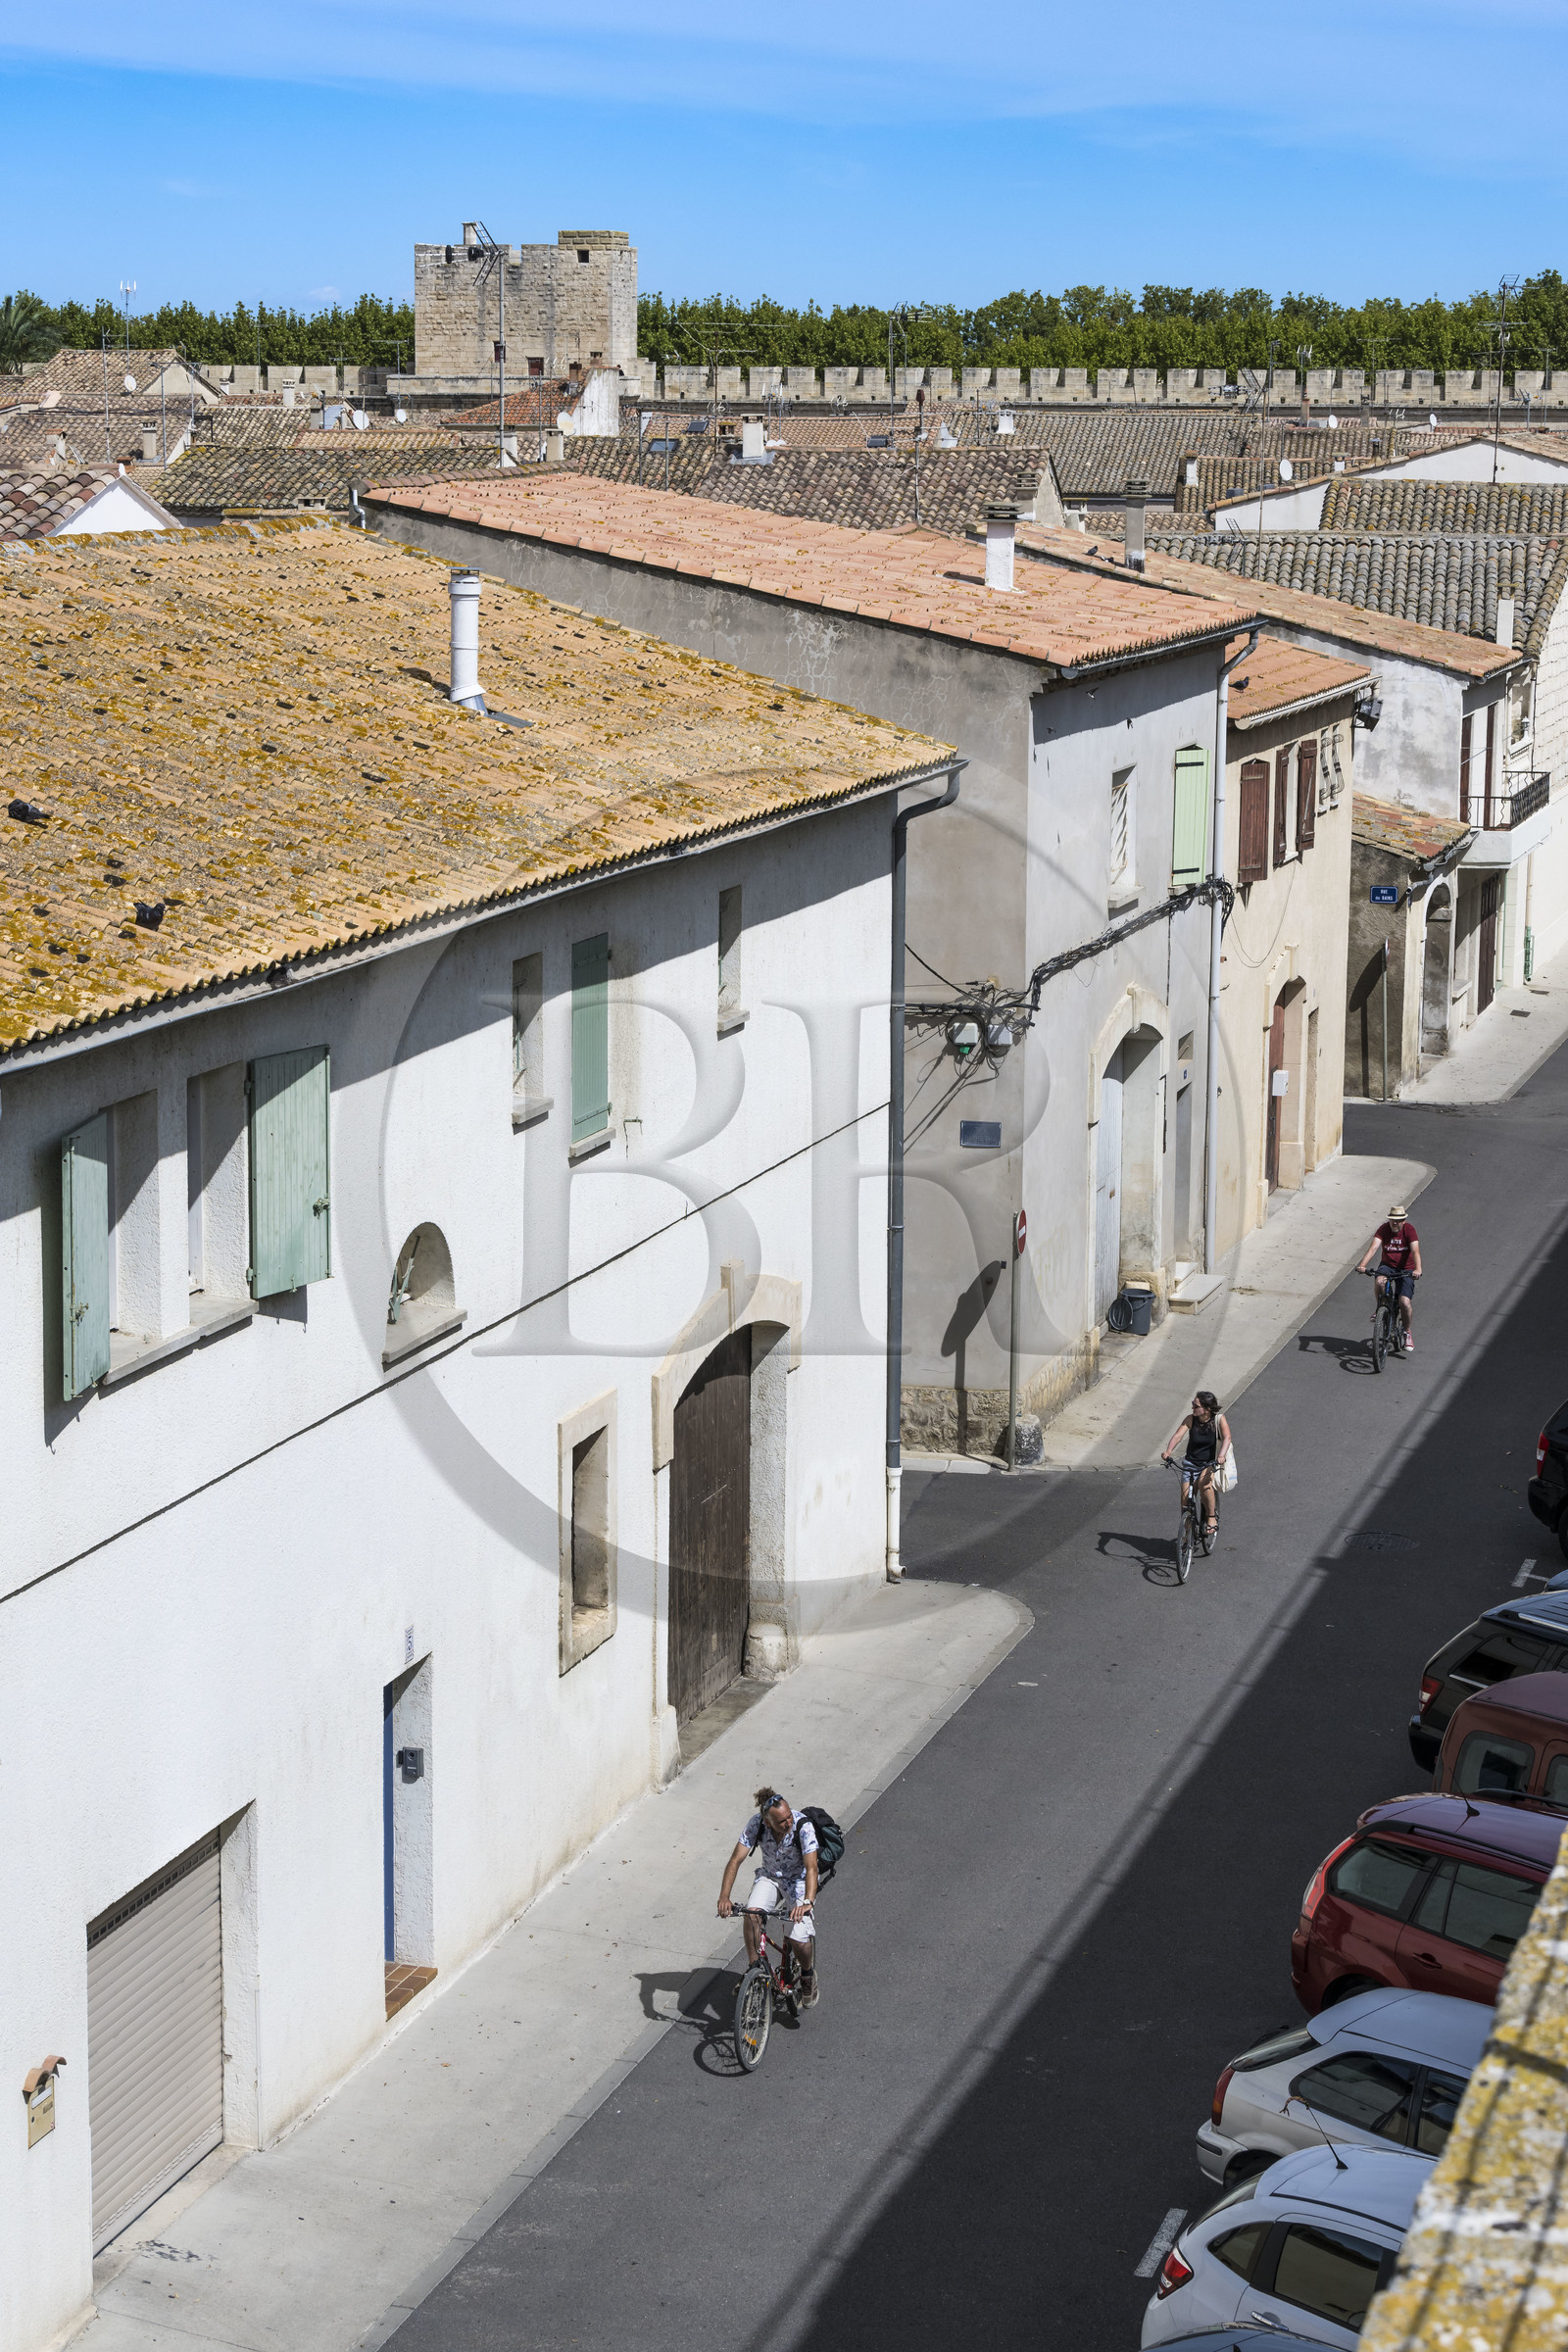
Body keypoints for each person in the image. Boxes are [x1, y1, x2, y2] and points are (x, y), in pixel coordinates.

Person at [717, 1786, 820, 2007]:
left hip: (798, 1880)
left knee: (798, 1937)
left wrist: (807, 1903)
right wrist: (724, 1896)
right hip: (770, 1877)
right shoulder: (756, 1825)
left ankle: (807, 1974)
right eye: (782, 1821)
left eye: (789, 1816)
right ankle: (755, 1972)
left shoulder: (803, 1827)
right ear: (768, 1823)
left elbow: (812, 1868)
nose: (788, 1823)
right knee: (751, 1915)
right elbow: (735, 1860)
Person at [1161, 1390, 1232, 1539]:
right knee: (1185, 1501)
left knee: (1204, 1484)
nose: (1192, 1408)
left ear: (1206, 1409)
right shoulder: (1190, 1419)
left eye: (1195, 1406)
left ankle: (1211, 1517)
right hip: (1190, 1464)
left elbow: (1227, 1438)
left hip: (1208, 1463)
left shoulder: (1218, 1419)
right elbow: (1178, 1436)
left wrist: (1221, 1456)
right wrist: (1168, 1451)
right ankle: (1187, 1532)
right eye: (1193, 1405)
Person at [1358, 1202, 1422, 1354]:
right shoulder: (1383, 1229)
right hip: (1388, 1265)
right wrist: (1363, 1265)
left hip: (1406, 1269)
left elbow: (1415, 1251)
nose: (1395, 1222)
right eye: (1393, 1219)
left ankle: (1407, 1332)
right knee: (1379, 1280)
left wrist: (1418, 1269)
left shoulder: (1409, 1230)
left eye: (1399, 1220)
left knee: (1404, 1302)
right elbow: (1373, 1248)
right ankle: (1380, 1306)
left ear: (1404, 1221)